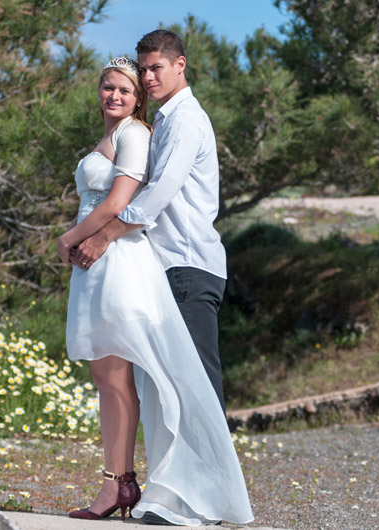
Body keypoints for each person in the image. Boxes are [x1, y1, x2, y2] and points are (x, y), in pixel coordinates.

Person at [58, 53, 253, 526]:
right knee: (109, 375)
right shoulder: (117, 135)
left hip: (128, 258)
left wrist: (75, 236)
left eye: (129, 87)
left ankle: (199, 499)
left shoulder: (143, 133)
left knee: (171, 379)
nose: (118, 93)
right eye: (110, 86)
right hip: (104, 260)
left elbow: (129, 198)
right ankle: (119, 482)